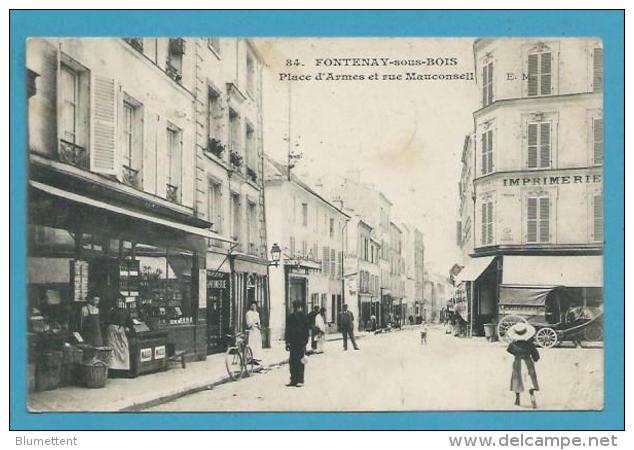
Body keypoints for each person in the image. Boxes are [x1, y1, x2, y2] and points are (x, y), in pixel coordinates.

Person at [506, 322, 540, 409]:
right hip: (528, 362)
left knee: (517, 379)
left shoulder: (513, 345)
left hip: (518, 363)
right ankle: (532, 397)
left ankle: (517, 399)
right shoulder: (530, 345)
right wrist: (534, 358)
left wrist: (517, 354)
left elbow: (509, 350)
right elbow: (536, 357)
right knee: (529, 380)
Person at [285, 300, 309, 387]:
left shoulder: (304, 317)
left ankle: (300, 380)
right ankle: (293, 380)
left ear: (300, 308)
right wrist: (287, 342)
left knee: (300, 362)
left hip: (300, 342)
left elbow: (306, 332)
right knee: (292, 362)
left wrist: (305, 343)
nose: (296, 309)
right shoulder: (290, 317)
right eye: (295, 307)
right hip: (293, 342)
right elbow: (287, 330)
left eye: (298, 307)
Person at [104, 305, 131, 373]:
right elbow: (107, 321)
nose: (119, 303)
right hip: (112, 331)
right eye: (118, 301)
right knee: (113, 350)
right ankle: (113, 369)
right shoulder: (111, 311)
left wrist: (127, 326)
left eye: (121, 301)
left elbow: (128, 321)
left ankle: (123, 369)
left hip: (121, 331)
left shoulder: (125, 311)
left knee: (124, 349)